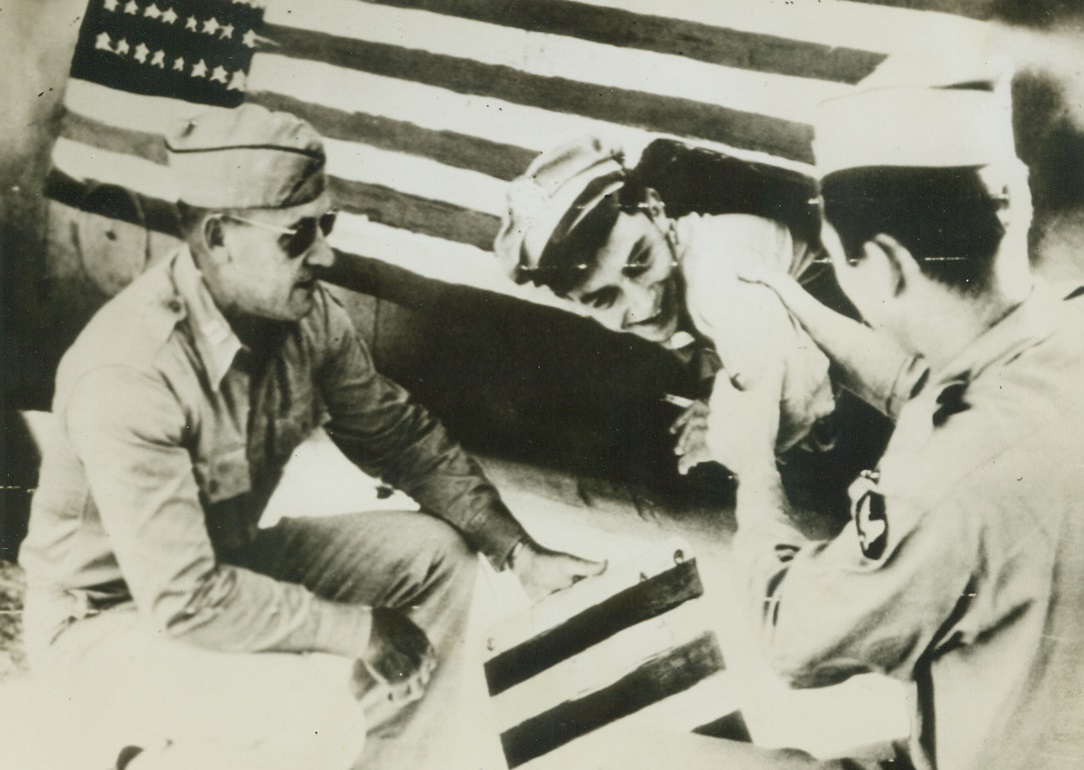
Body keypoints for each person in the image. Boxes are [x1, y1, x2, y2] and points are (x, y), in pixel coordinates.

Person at [16, 104, 603, 770]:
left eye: (327, 224)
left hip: (230, 564)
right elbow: (183, 598)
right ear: (217, 239)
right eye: (296, 236)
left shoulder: (304, 316)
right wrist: (359, 630)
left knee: (436, 555)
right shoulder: (130, 372)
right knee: (305, 704)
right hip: (105, 624)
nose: (324, 253)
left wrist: (519, 552)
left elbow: (397, 436)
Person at [699, 56, 1084, 769]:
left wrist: (752, 468)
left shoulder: (945, 480)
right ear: (1011, 205)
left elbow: (793, 641)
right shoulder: (1060, 333)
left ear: (881, 265)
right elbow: (944, 391)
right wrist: (800, 307)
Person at [493, 138, 918, 476]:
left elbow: (797, 396)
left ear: (656, 210)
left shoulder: (718, 269)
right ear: (575, 303)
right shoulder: (684, 266)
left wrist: (719, 435)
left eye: (640, 261)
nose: (642, 303)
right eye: (604, 298)